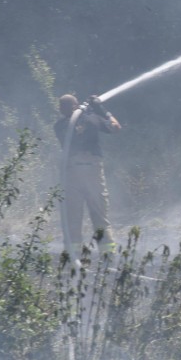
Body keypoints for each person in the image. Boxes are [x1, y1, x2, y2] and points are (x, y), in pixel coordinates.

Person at [54, 94, 121, 256]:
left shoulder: (59, 126)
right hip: (92, 171)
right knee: (99, 215)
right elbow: (116, 127)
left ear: (61, 109)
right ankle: (108, 255)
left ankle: (72, 256)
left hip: (71, 174)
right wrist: (101, 109)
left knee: (72, 218)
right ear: (76, 106)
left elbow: (75, 129)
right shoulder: (92, 119)